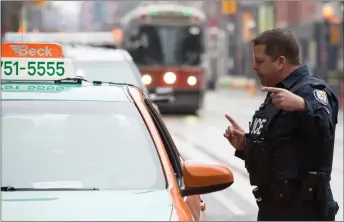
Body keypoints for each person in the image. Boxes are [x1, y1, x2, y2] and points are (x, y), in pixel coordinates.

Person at [223, 28, 339, 221]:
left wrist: (302, 106)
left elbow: (325, 126)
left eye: (259, 61)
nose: (253, 66)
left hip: (304, 211)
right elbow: (277, 151)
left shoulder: (311, 90)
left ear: (281, 61)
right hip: (274, 208)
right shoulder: (277, 93)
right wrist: (246, 144)